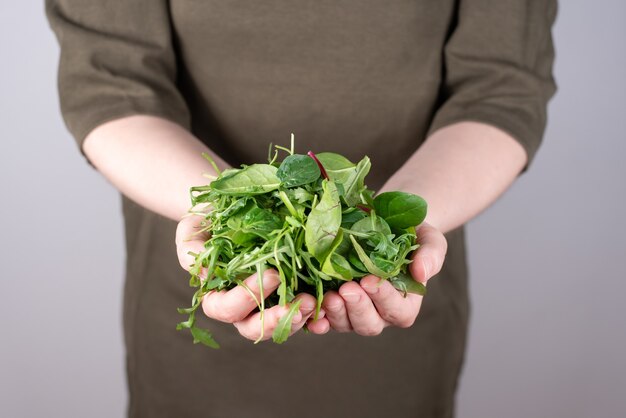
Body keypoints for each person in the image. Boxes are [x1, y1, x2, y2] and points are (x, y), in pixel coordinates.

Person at [46, 1, 556, 417]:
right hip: (212, 288)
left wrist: (400, 224)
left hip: (393, 296)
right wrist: (230, 206)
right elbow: (110, 85)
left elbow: (501, 90)